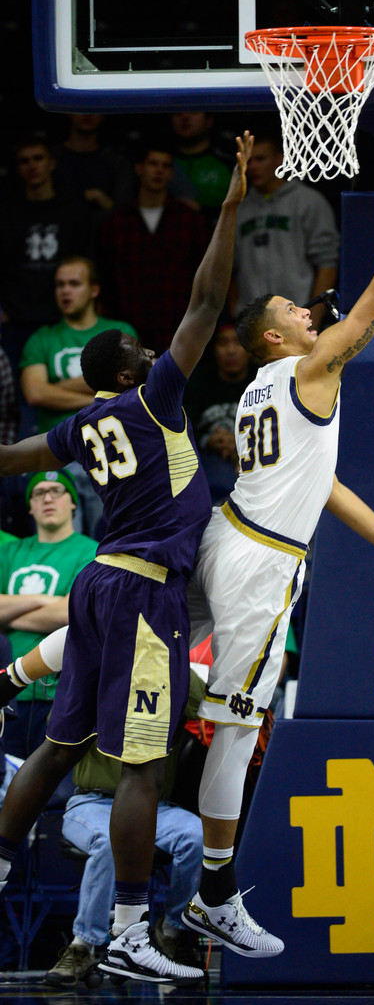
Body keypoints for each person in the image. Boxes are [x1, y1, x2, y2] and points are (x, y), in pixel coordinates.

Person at [181, 131, 374, 957]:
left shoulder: (261, 388)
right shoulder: (313, 372)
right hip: (259, 562)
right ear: (276, 339)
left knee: (151, 649)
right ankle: (213, 894)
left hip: (227, 532)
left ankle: (18, 673)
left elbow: (321, 485)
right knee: (238, 726)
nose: (310, 311)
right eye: (292, 311)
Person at [0, 132, 253, 986]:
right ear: (132, 367)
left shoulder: (78, 428)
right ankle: (132, 928)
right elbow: (208, 297)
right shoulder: (154, 399)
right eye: (144, 351)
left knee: (62, 746)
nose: (157, 352)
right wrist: (227, 207)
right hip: (144, 594)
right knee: (145, 762)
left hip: (95, 585)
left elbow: (16, 453)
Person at [10, 628, 206, 986]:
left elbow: (207, 706)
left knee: (196, 836)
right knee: (111, 842)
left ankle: (172, 932)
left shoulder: (172, 671)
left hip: (155, 808)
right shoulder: (95, 671)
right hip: (91, 802)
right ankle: (84, 946)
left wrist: (174, 663)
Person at [19, 255, 138, 536]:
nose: (65, 291)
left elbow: (127, 386)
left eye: (74, 283)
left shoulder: (120, 333)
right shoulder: (42, 338)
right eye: (60, 284)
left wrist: (56, 386)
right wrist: (97, 396)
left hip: (110, 450)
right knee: (65, 537)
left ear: (94, 290)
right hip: (60, 454)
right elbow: (35, 392)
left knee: (111, 537)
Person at [0, 470, 97, 759]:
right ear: (30, 505)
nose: (48, 498)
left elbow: (71, 613)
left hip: (58, 691)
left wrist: (9, 612)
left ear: (73, 502)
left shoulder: (91, 551)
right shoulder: (10, 551)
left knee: (51, 796)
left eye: (57, 490)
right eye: (39, 492)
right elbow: (60, 609)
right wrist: (48, 600)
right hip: (6, 690)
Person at [97, 143, 209, 354]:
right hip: (127, 326)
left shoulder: (189, 220)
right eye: (153, 164)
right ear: (139, 168)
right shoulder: (116, 222)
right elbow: (105, 277)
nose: (159, 170)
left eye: (165, 166)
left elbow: (203, 275)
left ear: (171, 173)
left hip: (177, 326)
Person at [0, 134, 94, 370]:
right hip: (16, 320)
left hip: (61, 318)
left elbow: (87, 261)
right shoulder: (7, 212)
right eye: (24, 161)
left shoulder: (73, 210)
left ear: (51, 163)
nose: (32, 166)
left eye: (38, 158)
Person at [228, 133, 340, 330]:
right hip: (252, 324)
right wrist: (235, 316)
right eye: (249, 161)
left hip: (297, 316)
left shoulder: (309, 201)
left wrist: (312, 320)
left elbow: (327, 265)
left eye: (260, 159)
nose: (253, 167)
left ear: (280, 159)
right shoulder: (239, 208)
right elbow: (231, 269)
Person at [183, 318, 257, 503]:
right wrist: (208, 440)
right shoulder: (197, 380)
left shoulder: (262, 379)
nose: (230, 351)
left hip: (254, 455)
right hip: (206, 457)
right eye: (223, 343)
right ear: (214, 348)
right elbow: (182, 425)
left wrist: (239, 443)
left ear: (249, 349)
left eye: (238, 343)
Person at [53, 113, 136, 220]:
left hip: (105, 231)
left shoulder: (117, 163)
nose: (87, 114)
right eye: (81, 106)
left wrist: (105, 202)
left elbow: (125, 213)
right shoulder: (50, 160)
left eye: (93, 107)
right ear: (68, 111)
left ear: (103, 115)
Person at [168, 111, 233, 226]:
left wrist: (204, 211)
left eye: (194, 111)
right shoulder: (159, 163)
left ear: (209, 121)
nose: (185, 116)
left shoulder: (230, 164)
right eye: (177, 112)